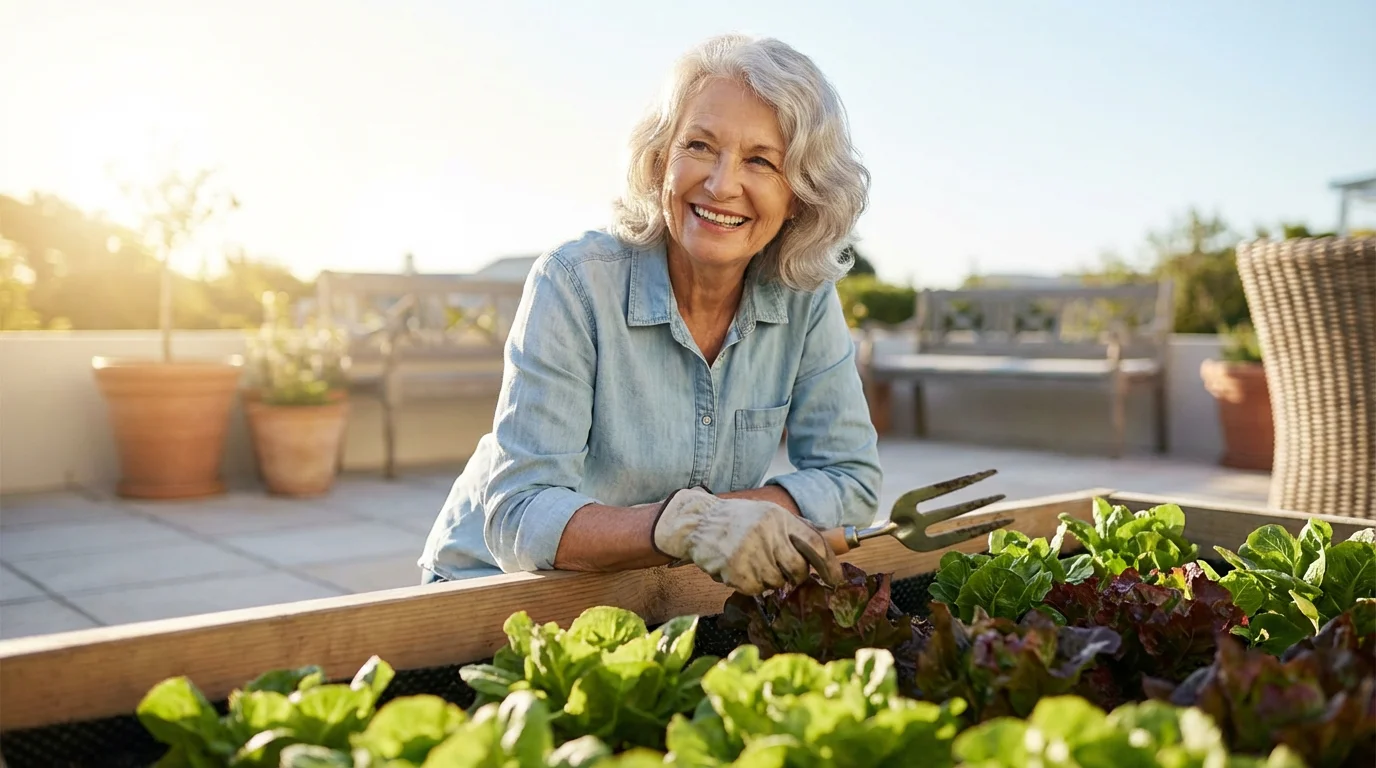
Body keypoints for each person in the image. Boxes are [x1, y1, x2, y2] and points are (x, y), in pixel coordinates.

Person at [417, 33, 881, 595]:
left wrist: (722, 522)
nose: (721, 184)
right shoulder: (575, 283)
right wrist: (695, 523)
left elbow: (852, 478)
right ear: (661, 159)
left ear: (800, 198)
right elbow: (520, 514)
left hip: (643, 589)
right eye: (700, 146)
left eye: (760, 160)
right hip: (492, 585)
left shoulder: (804, 296)